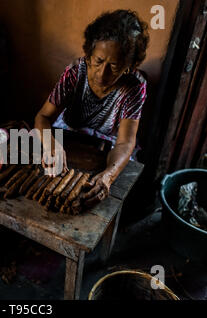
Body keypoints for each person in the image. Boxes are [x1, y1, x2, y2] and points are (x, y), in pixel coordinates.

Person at [34, 9, 149, 206]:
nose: (102, 74)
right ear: (89, 54)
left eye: (114, 66)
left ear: (129, 67)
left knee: (111, 194)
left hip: (108, 141)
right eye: (98, 61)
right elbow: (42, 117)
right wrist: (52, 145)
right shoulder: (75, 72)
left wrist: (108, 176)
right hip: (70, 130)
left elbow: (124, 143)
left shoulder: (134, 87)